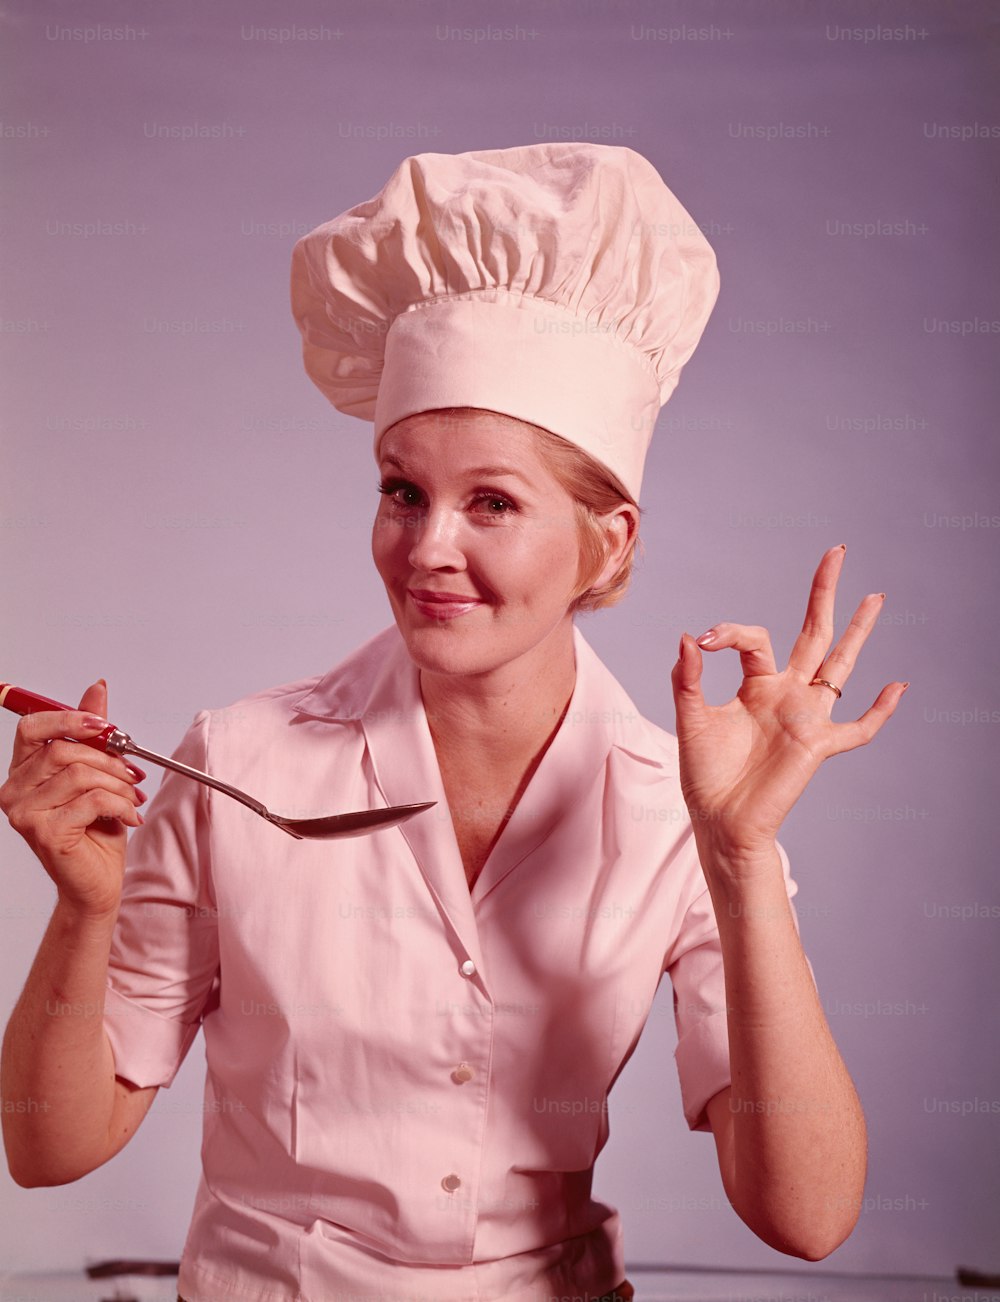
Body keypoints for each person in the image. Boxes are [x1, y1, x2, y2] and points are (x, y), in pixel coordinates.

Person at [0, 144, 906, 1302]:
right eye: (400, 490)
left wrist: (739, 855)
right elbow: (50, 1146)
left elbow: (808, 1218)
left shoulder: (677, 804)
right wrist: (85, 907)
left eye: (491, 502)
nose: (427, 548)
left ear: (610, 540)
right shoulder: (242, 761)